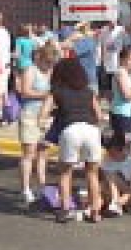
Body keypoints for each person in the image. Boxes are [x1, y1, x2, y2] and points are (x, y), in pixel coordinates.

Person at [39, 58, 103, 223]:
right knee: (92, 172)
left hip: (70, 130)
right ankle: (95, 211)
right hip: (91, 130)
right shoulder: (88, 91)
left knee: (66, 172)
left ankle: (65, 209)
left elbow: (43, 115)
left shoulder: (57, 91)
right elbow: (99, 115)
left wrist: (48, 122)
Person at [17, 45, 55, 204]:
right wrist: (45, 95)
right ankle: (26, 188)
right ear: (40, 58)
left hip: (46, 116)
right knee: (29, 154)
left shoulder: (51, 72)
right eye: (47, 62)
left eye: (52, 63)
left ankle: (42, 187)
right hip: (30, 115)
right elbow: (24, 92)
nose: (49, 65)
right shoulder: (31, 71)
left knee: (43, 154)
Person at [99, 19, 125, 97]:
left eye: (114, 21)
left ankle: (117, 96)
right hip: (108, 61)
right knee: (109, 81)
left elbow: (125, 44)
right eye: (111, 22)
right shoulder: (104, 30)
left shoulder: (121, 30)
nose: (113, 23)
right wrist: (102, 59)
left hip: (118, 61)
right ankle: (110, 98)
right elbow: (102, 45)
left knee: (118, 80)